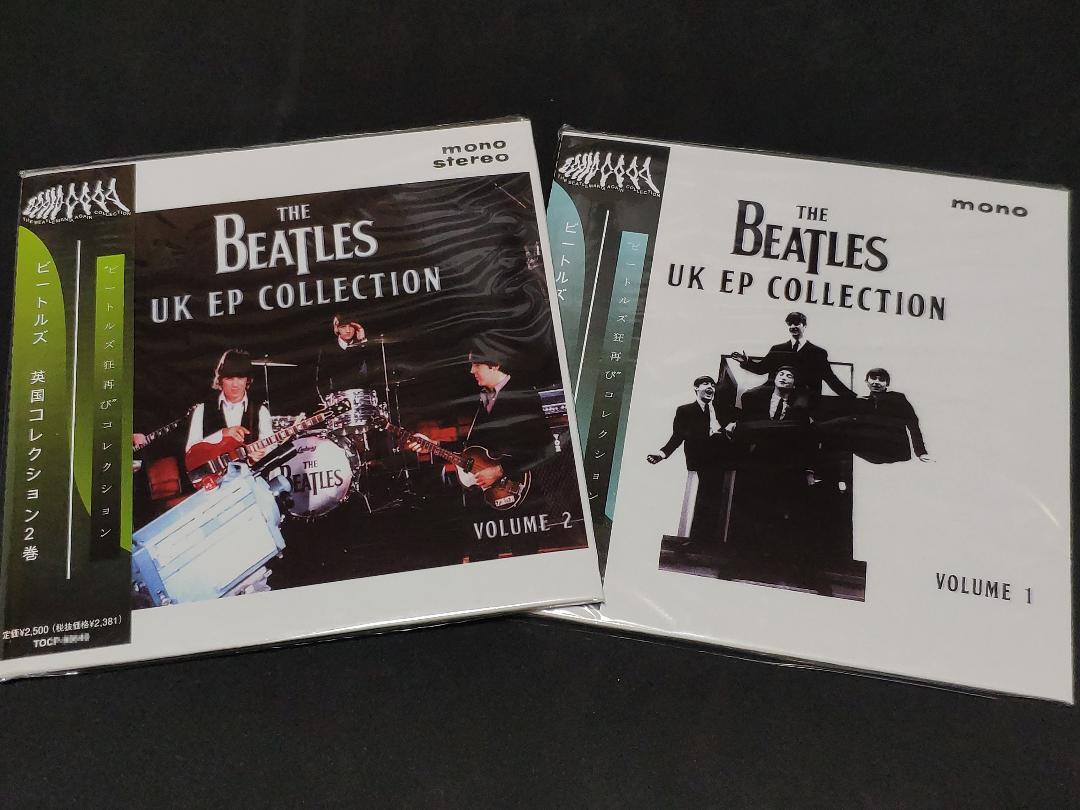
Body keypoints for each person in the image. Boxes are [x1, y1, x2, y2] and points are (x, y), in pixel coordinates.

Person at [731, 311, 855, 398]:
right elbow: (761, 369)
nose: (793, 326)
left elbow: (830, 378)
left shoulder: (818, 353)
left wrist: (851, 396)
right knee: (748, 396)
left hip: (803, 395)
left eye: (796, 323)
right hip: (776, 392)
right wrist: (745, 362)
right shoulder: (777, 349)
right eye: (790, 324)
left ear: (804, 325)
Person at [186, 349, 273, 465]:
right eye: (229, 378)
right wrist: (222, 434)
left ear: (247, 380)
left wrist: (262, 453)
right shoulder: (202, 410)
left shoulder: (261, 411)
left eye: (240, 378)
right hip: (212, 476)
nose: (235, 385)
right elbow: (190, 452)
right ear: (220, 379)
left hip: (250, 474)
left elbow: (271, 448)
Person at [647, 376, 735, 470]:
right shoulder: (685, 411)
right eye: (705, 384)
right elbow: (677, 436)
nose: (710, 387)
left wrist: (731, 425)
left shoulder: (722, 409)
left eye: (713, 385)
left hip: (724, 456)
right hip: (701, 461)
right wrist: (661, 455)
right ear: (696, 388)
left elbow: (739, 417)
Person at [315, 312, 384, 400]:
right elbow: (321, 379)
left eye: (351, 326)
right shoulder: (328, 349)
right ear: (336, 328)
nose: (348, 330)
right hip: (338, 399)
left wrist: (363, 342)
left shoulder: (363, 347)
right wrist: (325, 400)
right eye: (343, 326)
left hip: (363, 398)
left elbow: (374, 372)